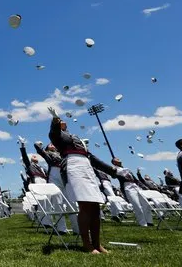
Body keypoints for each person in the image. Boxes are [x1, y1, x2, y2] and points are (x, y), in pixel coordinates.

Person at [47, 106, 106, 255]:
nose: (62, 121)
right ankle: (87, 244)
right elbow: (53, 132)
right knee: (85, 205)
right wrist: (55, 119)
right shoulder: (58, 137)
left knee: (95, 206)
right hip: (73, 165)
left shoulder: (75, 137)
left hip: (85, 165)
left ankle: (97, 244)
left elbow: (91, 156)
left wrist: (112, 170)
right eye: (60, 121)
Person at [88, 155, 153, 227]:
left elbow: (135, 180)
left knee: (146, 204)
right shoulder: (115, 169)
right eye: (116, 159)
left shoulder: (127, 169)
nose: (119, 159)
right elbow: (112, 173)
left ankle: (149, 221)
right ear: (114, 162)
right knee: (137, 205)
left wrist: (143, 186)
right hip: (128, 187)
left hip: (136, 187)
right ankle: (143, 223)